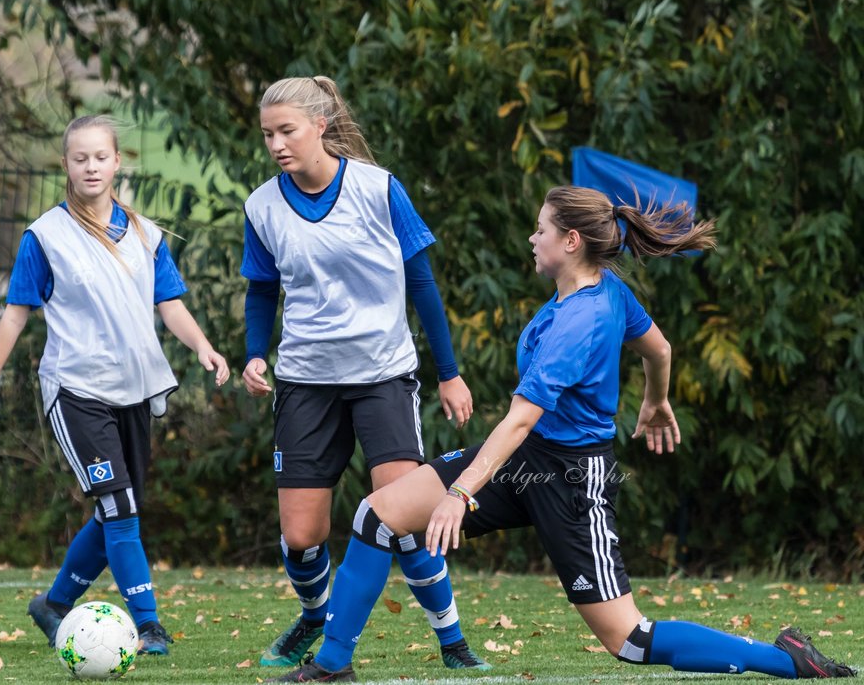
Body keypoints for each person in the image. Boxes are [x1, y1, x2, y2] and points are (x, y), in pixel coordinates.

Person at [269, 186, 856, 682]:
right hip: (529, 457)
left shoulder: (581, 320)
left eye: (540, 229)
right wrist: (655, 400)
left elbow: (520, 417)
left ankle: (785, 661)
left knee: (630, 641)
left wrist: (460, 491)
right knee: (378, 515)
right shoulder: (597, 291)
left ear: (570, 241)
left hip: (572, 480)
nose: (532, 238)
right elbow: (660, 348)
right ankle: (333, 663)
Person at [241, 76, 487, 670]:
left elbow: (422, 284)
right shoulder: (261, 205)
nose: (276, 144)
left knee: (401, 518)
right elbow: (261, 290)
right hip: (304, 380)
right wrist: (254, 353)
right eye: (268, 134)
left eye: (287, 131)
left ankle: (452, 642)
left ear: (320, 126)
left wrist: (449, 373)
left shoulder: (379, 189)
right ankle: (313, 616)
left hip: (383, 375)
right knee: (302, 537)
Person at [0, 114, 230, 657]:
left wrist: (202, 346)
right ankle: (149, 624)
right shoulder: (45, 236)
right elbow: (14, 317)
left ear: (116, 162)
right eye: (79, 158)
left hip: (136, 389)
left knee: (116, 509)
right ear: (65, 164)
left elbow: (169, 303)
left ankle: (55, 604)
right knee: (120, 508)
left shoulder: (144, 233)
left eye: (100, 157)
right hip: (77, 389)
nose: (90, 166)